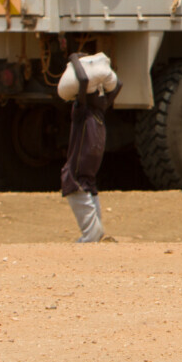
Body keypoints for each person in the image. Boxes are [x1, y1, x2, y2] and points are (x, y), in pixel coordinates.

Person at [60, 54, 122, 243]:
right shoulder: (101, 110)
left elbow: (84, 79)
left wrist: (73, 58)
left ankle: (91, 234)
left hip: (81, 159)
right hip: (93, 158)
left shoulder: (83, 112)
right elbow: (118, 85)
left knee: (73, 183)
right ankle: (97, 230)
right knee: (88, 185)